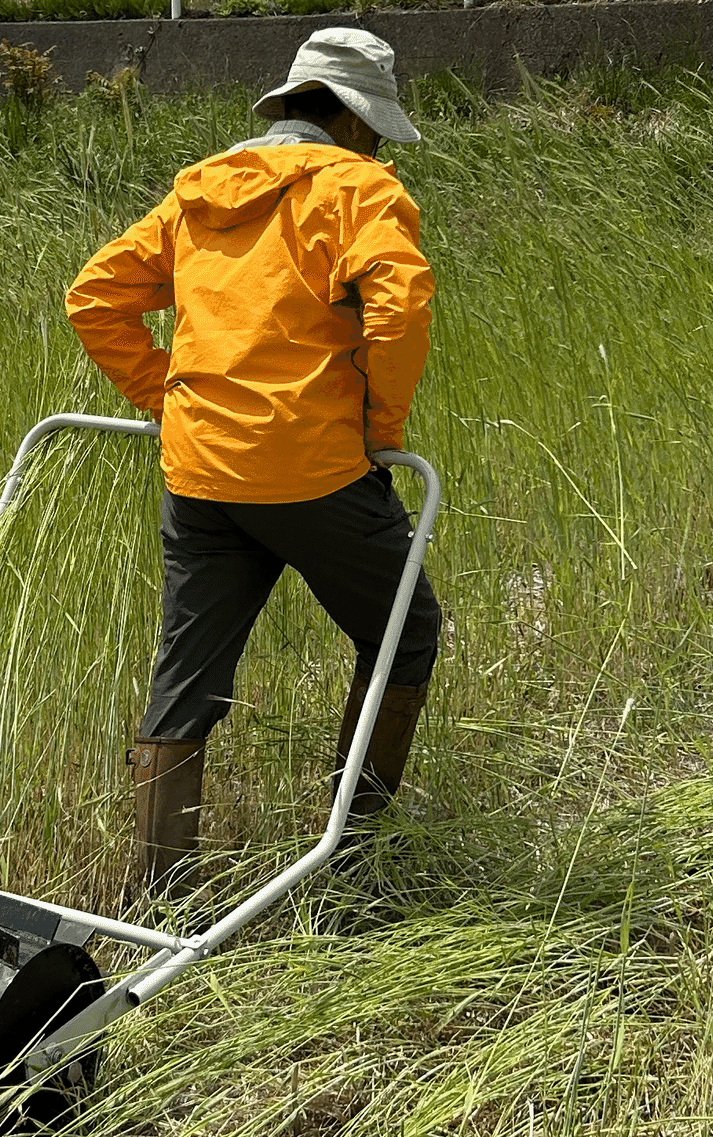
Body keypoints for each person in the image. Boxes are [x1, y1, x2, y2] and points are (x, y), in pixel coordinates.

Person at [66, 26, 443, 894]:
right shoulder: (360, 188)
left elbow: (94, 299)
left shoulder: (201, 193)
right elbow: (401, 306)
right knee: (405, 633)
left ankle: (160, 893)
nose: (381, 145)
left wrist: (167, 400)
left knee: (187, 673)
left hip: (200, 477)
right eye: (378, 129)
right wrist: (377, 425)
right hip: (314, 472)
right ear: (353, 120)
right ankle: (354, 859)